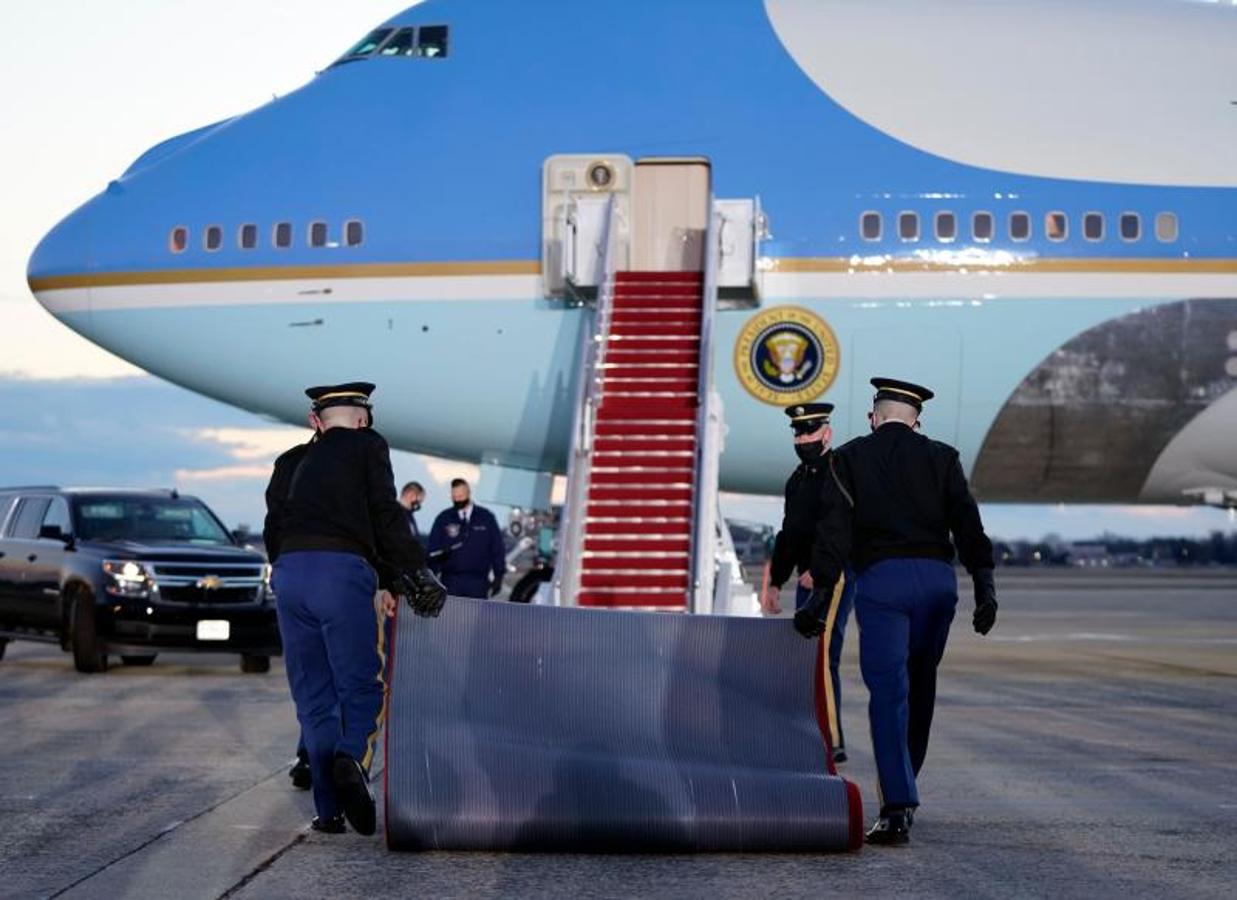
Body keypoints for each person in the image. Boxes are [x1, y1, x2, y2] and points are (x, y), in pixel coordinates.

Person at [798, 377, 998, 846]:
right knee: (920, 683)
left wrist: (819, 600)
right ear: (916, 421)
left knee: (889, 694)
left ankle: (896, 808)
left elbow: (833, 534)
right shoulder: (943, 457)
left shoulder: (847, 458)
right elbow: (969, 525)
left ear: (874, 417)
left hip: (882, 583)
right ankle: (906, 780)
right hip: (937, 583)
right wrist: (985, 587)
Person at [263, 381, 447, 835]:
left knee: (314, 700)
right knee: (362, 686)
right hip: (340, 573)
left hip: (288, 573)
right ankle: (353, 759)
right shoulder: (368, 447)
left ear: (315, 421)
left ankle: (328, 813)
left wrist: (288, 569)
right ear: (363, 419)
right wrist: (413, 572)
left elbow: (273, 526)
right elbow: (384, 513)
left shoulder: (289, 462)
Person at [761, 402, 855, 766]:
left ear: (827, 434)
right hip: (806, 577)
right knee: (805, 658)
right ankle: (809, 732)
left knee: (821, 655)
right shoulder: (798, 480)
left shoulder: (837, 472)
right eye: (798, 433)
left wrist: (820, 568)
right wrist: (775, 582)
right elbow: (790, 534)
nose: (803, 439)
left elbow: (840, 525)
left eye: (810, 432)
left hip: (831, 575)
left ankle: (831, 739)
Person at [427, 478, 506, 599]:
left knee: (474, 617)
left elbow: (497, 548)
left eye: (461, 496)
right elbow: (433, 548)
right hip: (450, 581)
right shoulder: (444, 518)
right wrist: (430, 575)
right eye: (455, 497)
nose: (458, 499)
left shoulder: (486, 518)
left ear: (468, 493)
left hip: (478, 582)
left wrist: (499, 575)